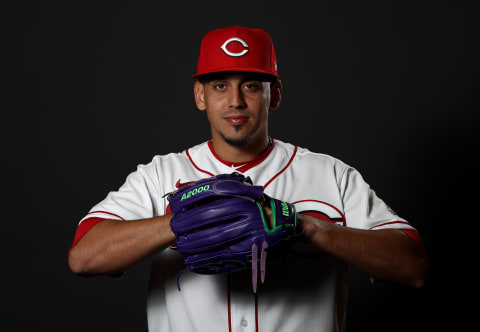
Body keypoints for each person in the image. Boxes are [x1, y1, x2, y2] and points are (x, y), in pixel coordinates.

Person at [68, 26, 428, 332]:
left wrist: (310, 228)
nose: (236, 101)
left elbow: (412, 267)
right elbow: (83, 257)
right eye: (220, 85)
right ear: (200, 96)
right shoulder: (159, 174)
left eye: (252, 86)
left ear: (276, 95)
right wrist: (180, 223)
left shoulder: (329, 174)